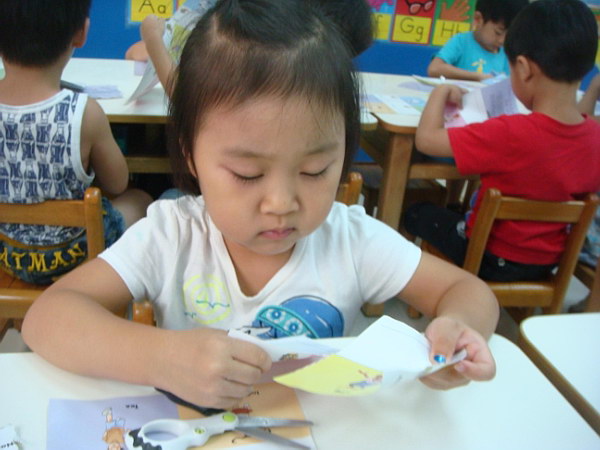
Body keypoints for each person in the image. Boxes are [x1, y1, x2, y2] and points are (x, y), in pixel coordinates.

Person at [23, 0, 498, 410]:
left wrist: (456, 330)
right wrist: (159, 357)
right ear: (191, 154)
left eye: (315, 170)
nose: (281, 203)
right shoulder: (172, 234)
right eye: (248, 174)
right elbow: (48, 318)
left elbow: (469, 292)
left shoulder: (351, 239)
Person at [405, 0, 600, 282]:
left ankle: (431, 287)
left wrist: (441, 91)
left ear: (523, 68)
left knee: (416, 212)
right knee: (455, 211)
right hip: (547, 264)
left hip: (488, 257)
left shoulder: (510, 131)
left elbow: (426, 140)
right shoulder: (595, 138)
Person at [0, 0, 153, 285]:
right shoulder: (84, 112)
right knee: (140, 200)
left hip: (6, 251)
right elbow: (117, 183)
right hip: (74, 255)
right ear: (81, 33)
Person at [130, 0, 373, 96]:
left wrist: (153, 41)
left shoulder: (266, 65)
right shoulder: (327, 89)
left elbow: (185, 98)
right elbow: (133, 53)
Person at [428, 0, 528, 81]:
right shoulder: (462, 42)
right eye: (498, 32)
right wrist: (477, 76)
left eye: (509, 35)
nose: (502, 41)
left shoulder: (506, 53)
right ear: (478, 19)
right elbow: (434, 69)